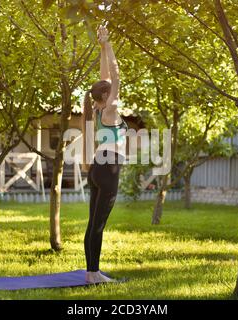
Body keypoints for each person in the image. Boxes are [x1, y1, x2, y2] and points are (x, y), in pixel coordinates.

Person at [82, 25, 128, 284]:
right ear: (106, 95)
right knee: (98, 225)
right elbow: (116, 75)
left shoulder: (99, 109)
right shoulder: (109, 109)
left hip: (98, 168)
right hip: (108, 168)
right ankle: (94, 274)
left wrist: (101, 47)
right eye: (110, 89)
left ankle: (92, 272)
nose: (113, 88)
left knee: (93, 223)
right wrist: (108, 44)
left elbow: (106, 76)